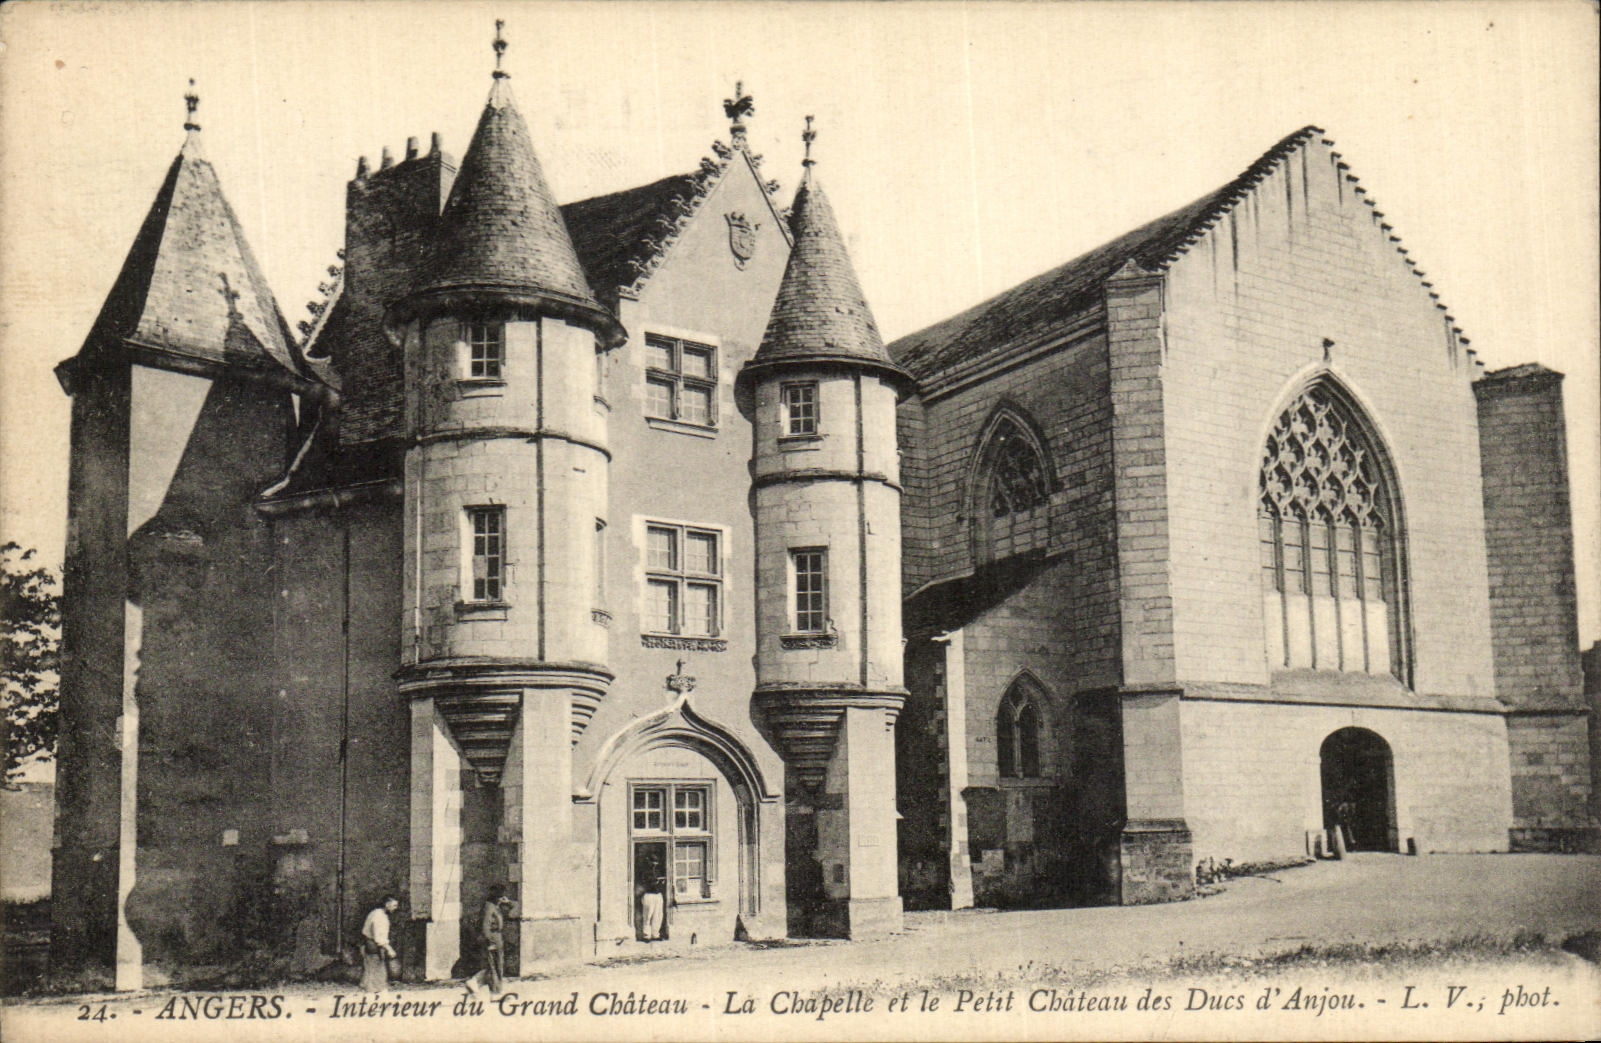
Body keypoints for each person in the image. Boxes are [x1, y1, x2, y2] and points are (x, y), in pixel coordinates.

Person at [465, 887, 514, 996]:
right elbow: (485, 925)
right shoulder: (488, 907)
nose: (501, 898)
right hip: (492, 938)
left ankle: (475, 983)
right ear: (495, 896)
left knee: (496, 966)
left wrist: (508, 902)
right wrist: (489, 942)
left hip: (497, 937)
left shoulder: (496, 907)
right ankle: (495, 992)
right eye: (500, 895)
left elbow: (511, 909)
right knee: (494, 966)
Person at [360, 895, 399, 992]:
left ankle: (373, 989)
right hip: (373, 946)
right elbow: (379, 937)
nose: (395, 908)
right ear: (387, 905)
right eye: (394, 906)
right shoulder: (379, 917)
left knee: (373, 970)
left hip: (371, 945)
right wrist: (389, 949)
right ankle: (373, 992)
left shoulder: (376, 913)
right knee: (376, 971)